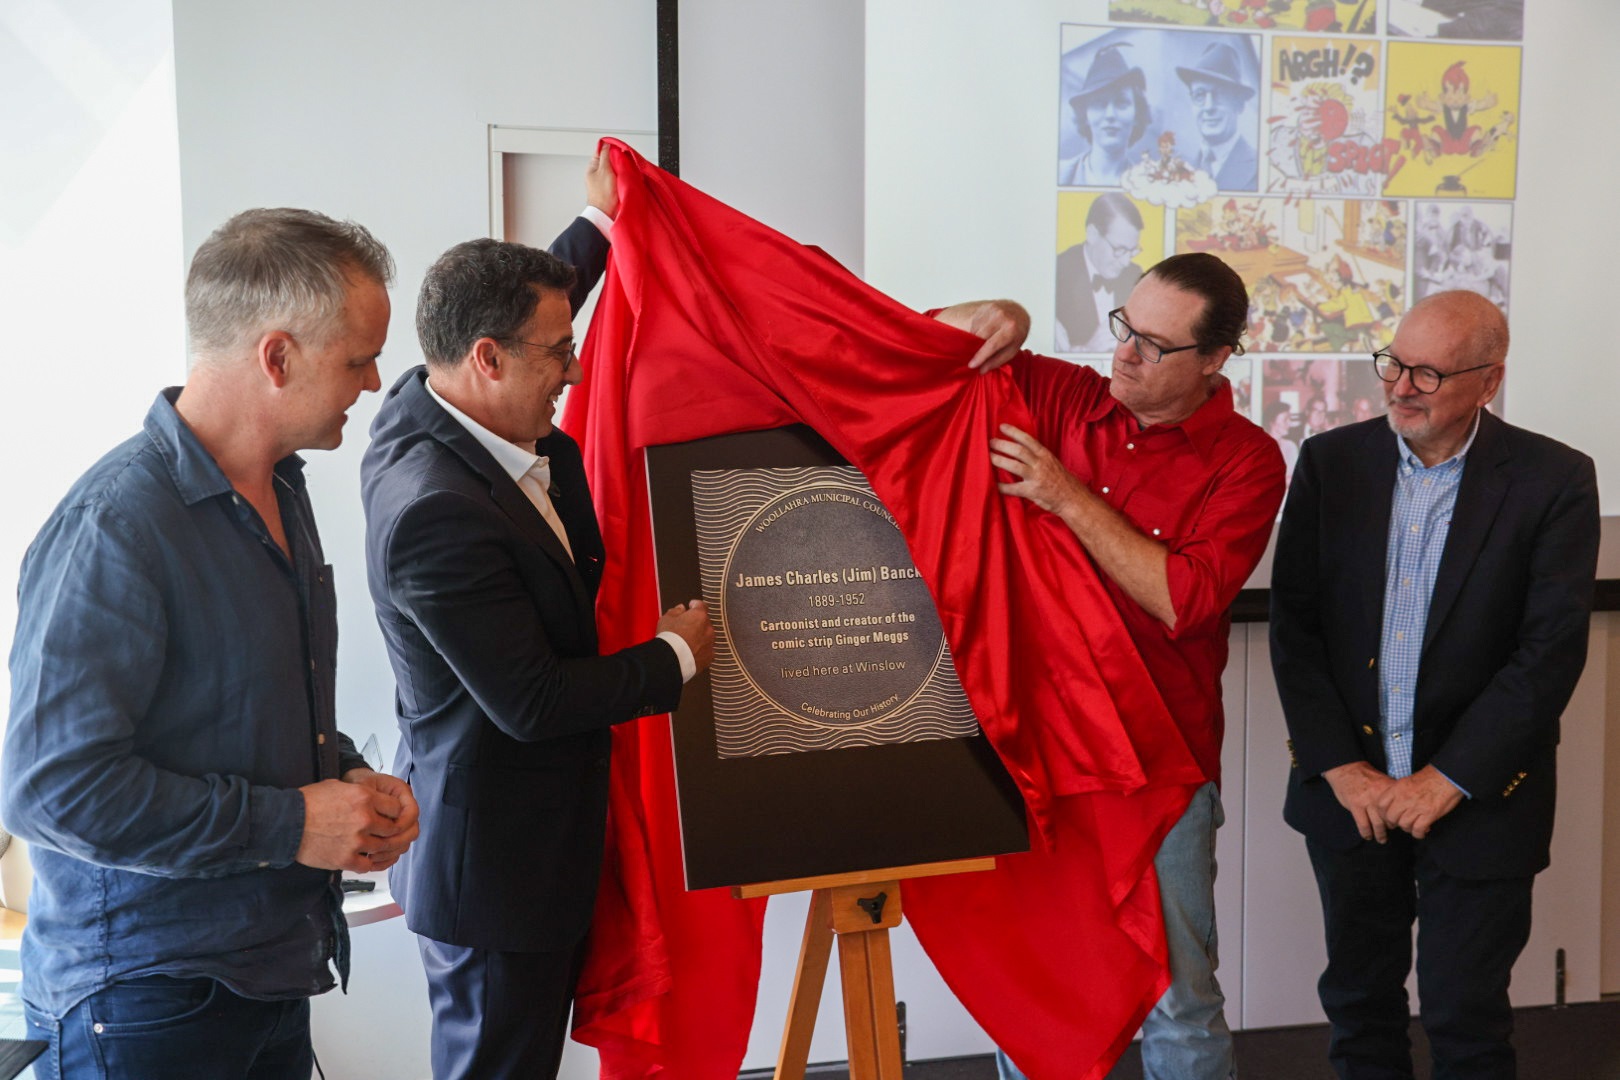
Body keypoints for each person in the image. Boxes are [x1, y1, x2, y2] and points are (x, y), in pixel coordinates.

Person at [2, 208, 420, 1078]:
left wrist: (344, 778)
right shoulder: (115, 524)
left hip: (265, 974)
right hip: (146, 1000)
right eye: (356, 359)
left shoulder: (284, 491)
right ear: (278, 356)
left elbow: (235, 712)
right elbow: (52, 790)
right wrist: (296, 821)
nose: (376, 381)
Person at [360, 157, 716, 1079]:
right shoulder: (436, 510)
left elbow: (516, 311)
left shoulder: (422, 400)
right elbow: (533, 701)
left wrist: (596, 228)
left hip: (526, 856)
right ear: (488, 359)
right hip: (496, 885)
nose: (578, 366)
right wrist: (674, 656)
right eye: (560, 353)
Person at [938, 252, 1286, 1080]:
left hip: (1159, 768)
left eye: (1154, 345)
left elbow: (1184, 599)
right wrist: (998, 310)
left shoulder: (1248, 460)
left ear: (1214, 360)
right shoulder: (1064, 394)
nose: (1123, 353)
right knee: (1041, 992)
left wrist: (1063, 495)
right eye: (1124, 326)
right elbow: (912, 344)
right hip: (1037, 753)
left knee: (1180, 1001)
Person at [1269, 290, 1599, 1078]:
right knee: (1359, 1007)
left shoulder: (1554, 479)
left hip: (1480, 797)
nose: (1400, 386)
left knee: (1464, 1016)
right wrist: (1340, 767)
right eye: (1393, 363)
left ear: (1488, 383)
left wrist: (1447, 780)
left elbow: (1548, 653)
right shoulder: (1330, 463)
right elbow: (1296, 628)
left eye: (1427, 372)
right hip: (1351, 796)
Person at [1055, 192, 1145, 352]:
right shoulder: (1058, 273)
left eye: (1131, 251)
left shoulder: (1135, 274)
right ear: (1092, 234)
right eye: (1119, 249)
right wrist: (1088, 350)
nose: (1125, 262)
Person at [1059, 43, 1151, 186]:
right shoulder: (1061, 175)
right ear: (1086, 115)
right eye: (1099, 103)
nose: (1110, 115)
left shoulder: (1147, 186)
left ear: (1136, 116)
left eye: (1121, 102)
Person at [1176, 41, 1259, 190]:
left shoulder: (1260, 168)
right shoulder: (1180, 170)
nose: (1209, 107)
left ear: (1239, 104)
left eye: (1220, 95)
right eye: (1199, 95)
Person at [1265, 399, 1300, 483]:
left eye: (1289, 419)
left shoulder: (1291, 446)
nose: (1289, 423)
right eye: (1285, 420)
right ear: (1272, 421)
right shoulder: (1262, 446)